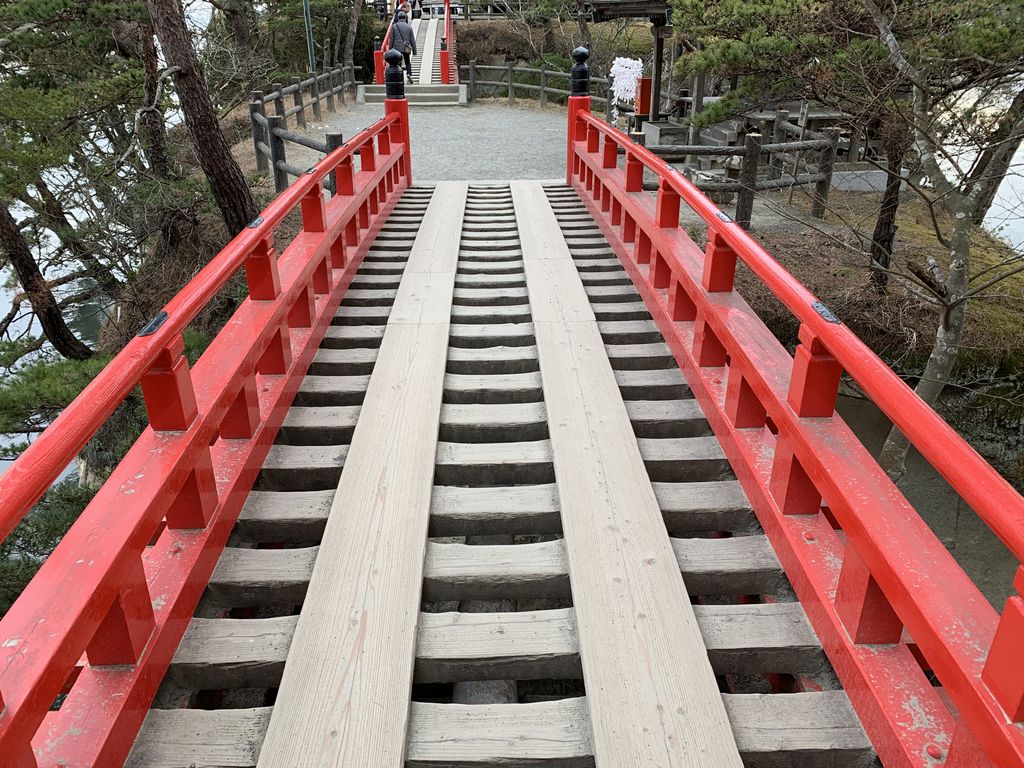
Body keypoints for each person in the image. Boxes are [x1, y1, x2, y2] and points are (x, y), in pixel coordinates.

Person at [390, 10, 417, 84]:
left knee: (397, 63)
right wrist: (414, 51)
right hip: (406, 48)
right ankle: (409, 74)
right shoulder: (409, 27)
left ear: (398, 17)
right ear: (405, 17)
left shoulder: (394, 26)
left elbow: (392, 38)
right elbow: (412, 40)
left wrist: (390, 49)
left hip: (397, 48)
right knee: (407, 61)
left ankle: (399, 77)